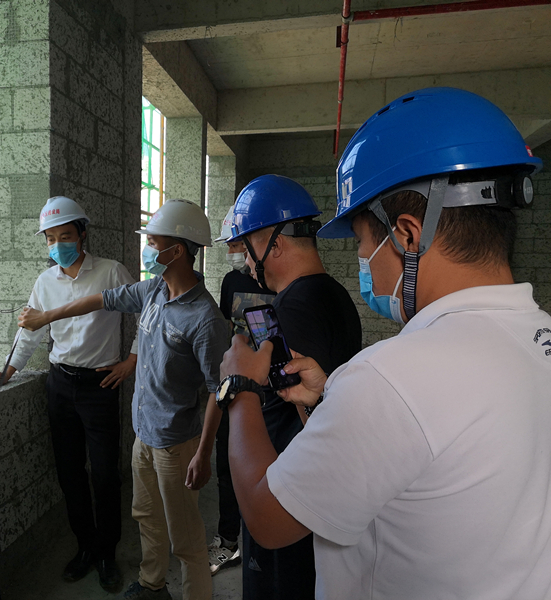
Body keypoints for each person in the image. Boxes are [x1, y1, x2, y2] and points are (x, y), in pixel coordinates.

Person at [218, 87, 551, 599]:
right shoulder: (538, 337)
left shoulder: (388, 377)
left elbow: (267, 519)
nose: (362, 261)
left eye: (362, 241)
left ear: (408, 233)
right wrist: (333, 401)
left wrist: (239, 386)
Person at [18, 199, 229, 600]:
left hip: (176, 442)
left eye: (153, 242)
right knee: (147, 517)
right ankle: (152, 586)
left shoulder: (205, 318)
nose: (147, 249)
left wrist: (203, 454)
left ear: (177, 251)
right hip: (143, 433)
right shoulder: (154, 291)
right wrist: (47, 317)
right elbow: (101, 300)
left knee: (185, 535)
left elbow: (219, 391)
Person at [0, 196, 138, 592]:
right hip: (60, 385)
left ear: (83, 234)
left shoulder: (110, 271)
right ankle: (85, 547)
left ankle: (107, 553)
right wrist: (9, 369)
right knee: (69, 473)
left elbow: (146, 314)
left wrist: (131, 362)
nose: (57, 244)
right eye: (50, 238)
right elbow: (30, 331)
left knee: (105, 475)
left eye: (65, 236)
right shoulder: (45, 281)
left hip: (100, 386)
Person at [225, 175, 361, 599]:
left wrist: (240, 383)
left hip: (287, 493)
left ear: (275, 245)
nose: (246, 261)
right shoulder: (333, 295)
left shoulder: (294, 306)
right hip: (316, 497)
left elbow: (306, 415)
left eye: (248, 246)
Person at [208, 206, 276, 576]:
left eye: (237, 244)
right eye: (229, 245)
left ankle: (263, 543)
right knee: (227, 465)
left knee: (265, 467)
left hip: (273, 392)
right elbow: (227, 328)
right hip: (235, 385)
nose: (233, 252)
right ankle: (228, 540)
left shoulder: (278, 280)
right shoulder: (231, 281)